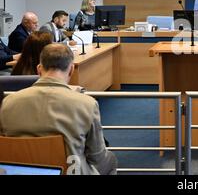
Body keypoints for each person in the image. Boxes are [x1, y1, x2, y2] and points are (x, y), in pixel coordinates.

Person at [0, 44, 117, 175]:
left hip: (21, 171)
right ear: (71, 70)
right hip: (71, 171)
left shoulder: (8, 103)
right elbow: (97, 157)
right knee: (110, 160)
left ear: (39, 69)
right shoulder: (87, 104)